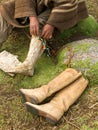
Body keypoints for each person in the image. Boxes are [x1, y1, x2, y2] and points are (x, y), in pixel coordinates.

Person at [0, 0, 88, 76]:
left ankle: (28, 65)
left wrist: (51, 24)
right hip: (40, 3)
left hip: (64, 7)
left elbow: (67, 3)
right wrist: (32, 17)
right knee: (6, 10)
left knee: (41, 26)